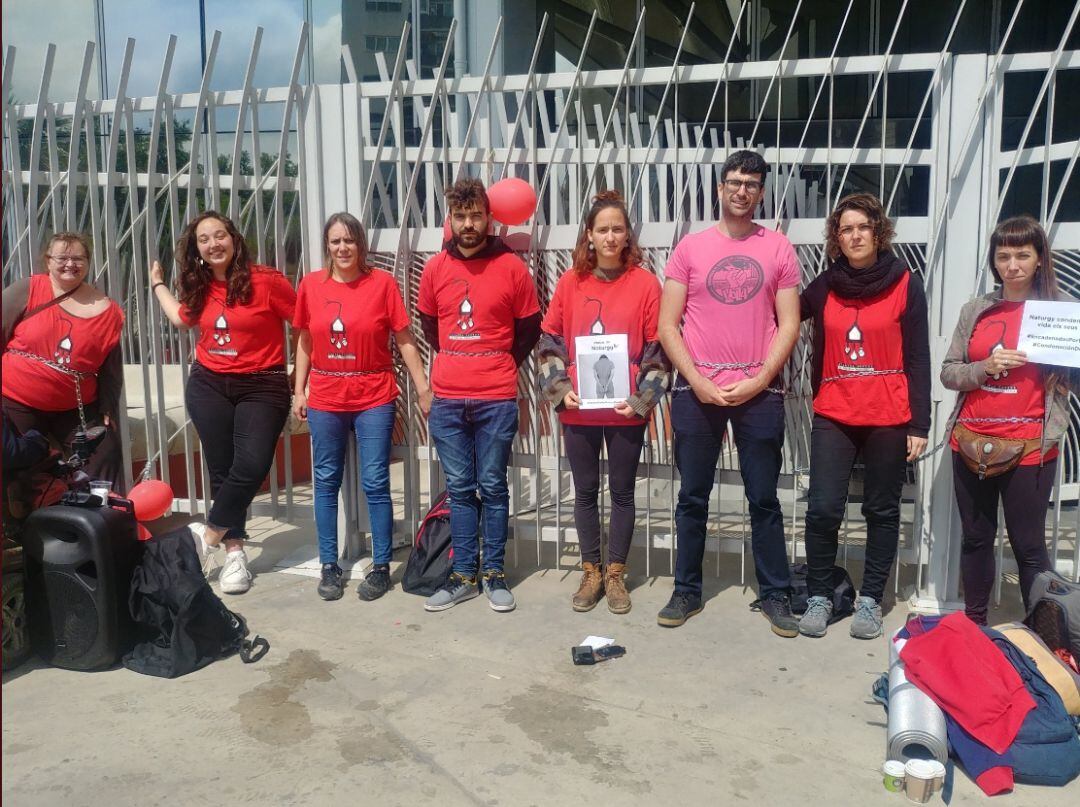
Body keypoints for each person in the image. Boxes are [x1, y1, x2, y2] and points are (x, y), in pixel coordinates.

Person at [656, 149, 801, 634]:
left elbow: (789, 323)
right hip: (696, 390)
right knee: (692, 496)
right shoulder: (690, 248)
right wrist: (697, 380)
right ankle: (686, 590)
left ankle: (775, 594)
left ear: (761, 192)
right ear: (720, 188)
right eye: (735, 182)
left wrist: (761, 379)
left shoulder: (777, 248)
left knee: (764, 498)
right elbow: (668, 325)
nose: (742, 191)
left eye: (752, 184)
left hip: (759, 391)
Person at [797, 193, 931, 639]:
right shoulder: (824, 285)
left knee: (881, 509)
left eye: (862, 227)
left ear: (878, 232)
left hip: (888, 414)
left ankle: (871, 599)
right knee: (822, 508)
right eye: (845, 229)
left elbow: (919, 357)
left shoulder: (905, 284)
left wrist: (919, 423)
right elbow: (782, 315)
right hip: (834, 411)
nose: (854, 236)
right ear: (836, 238)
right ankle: (819, 595)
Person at [941, 215, 1079, 625]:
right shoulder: (976, 310)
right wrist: (984, 367)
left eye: (1022, 255)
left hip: (1031, 447)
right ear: (994, 260)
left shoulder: (1061, 312)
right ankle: (975, 625)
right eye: (1003, 256)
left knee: (1029, 546)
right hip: (970, 442)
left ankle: (1042, 630)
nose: (1012, 265)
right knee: (975, 538)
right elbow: (949, 373)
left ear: (1040, 259)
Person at [150, 212, 296, 595]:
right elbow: (181, 319)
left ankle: (208, 536)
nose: (213, 244)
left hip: (263, 384)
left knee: (251, 465)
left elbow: (304, 322)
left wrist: (303, 374)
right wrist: (158, 285)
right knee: (222, 469)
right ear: (196, 247)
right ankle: (234, 553)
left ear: (234, 238)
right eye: (204, 239)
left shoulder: (267, 281)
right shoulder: (199, 284)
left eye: (219, 235)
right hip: (208, 384)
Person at [538, 190, 669, 614]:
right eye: (602, 229)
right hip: (579, 408)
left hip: (625, 410)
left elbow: (658, 349)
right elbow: (549, 343)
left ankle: (615, 573)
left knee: (623, 493)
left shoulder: (646, 284)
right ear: (589, 236)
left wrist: (642, 399)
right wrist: (560, 390)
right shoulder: (570, 283)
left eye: (617, 229)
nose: (610, 237)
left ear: (628, 234)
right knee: (585, 492)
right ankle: (590, 570)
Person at [292, 212, 432, 602]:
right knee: (326, 481)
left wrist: (423, 387)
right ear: (327, 245)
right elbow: (305, 341)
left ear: (361, 244)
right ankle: (329, 565)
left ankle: (381, 565)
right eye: (336, 241)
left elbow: (404, 339)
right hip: (326, 397)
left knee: (375, 481)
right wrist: (299, 390)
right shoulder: (311, 286)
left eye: (349, 240)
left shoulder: (381, 284)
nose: (343, 248)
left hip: (374, 395)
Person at [417, 177, 541, 613]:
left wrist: (497, 362)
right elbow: (430, 326)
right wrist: (460, 361)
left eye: (475, 215)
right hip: (448, 399)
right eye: (460, 216)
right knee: (459, 487)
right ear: (450, 219)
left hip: (496, 398)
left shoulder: (511, 268)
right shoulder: (435, 269)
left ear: (489, 217)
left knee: (492, 485)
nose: (468, 224)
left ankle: (494, 573)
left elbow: (529, 328)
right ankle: (463, 575)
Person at [2, 232, 125, 487]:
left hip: (76, 407)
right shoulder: (27, 290)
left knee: (104, 454)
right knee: (20, 465)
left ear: (88, 262)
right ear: (48, 261)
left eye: (78, 258)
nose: (70, 264)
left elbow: (111, 367)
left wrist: (108, 407)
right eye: (62, 258)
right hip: (16, 400)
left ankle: (104, 508)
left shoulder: (108, 310)